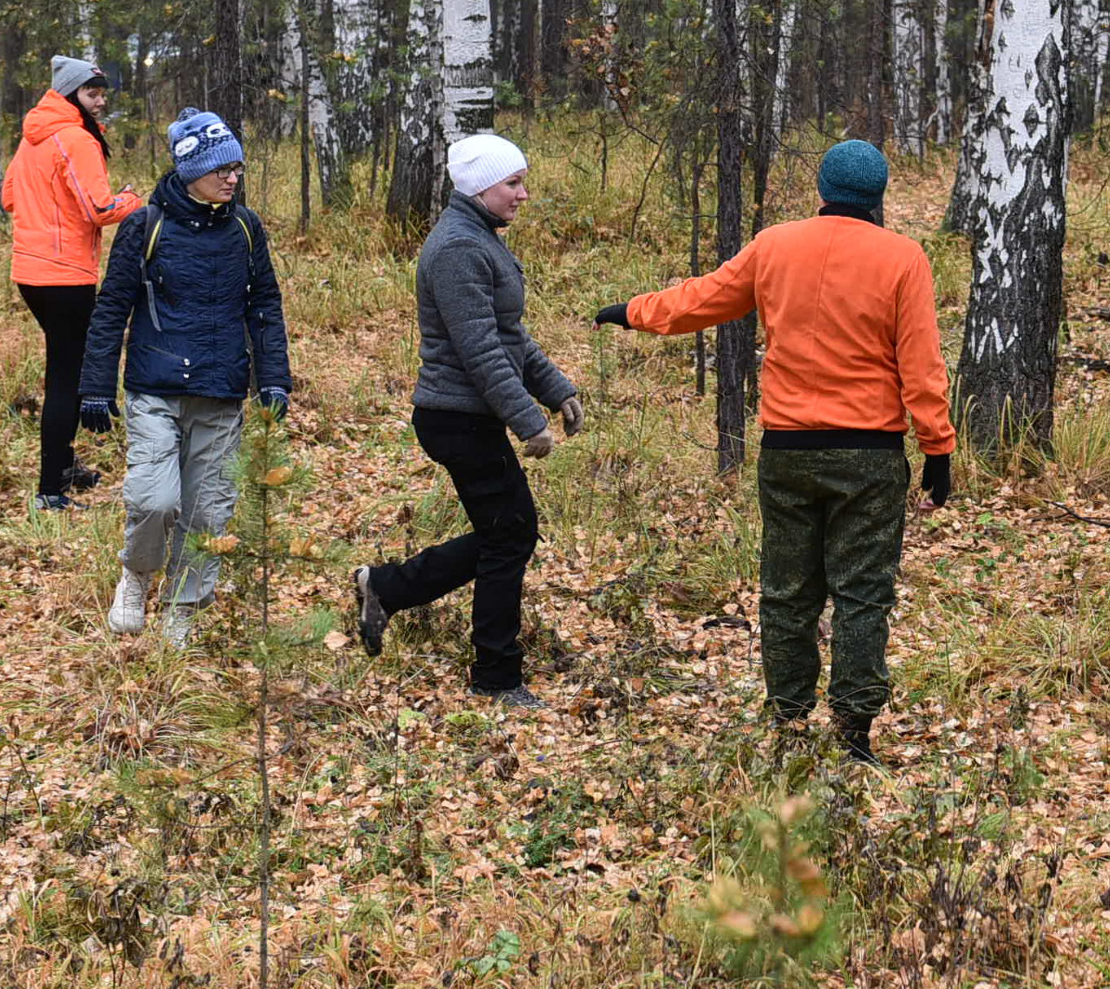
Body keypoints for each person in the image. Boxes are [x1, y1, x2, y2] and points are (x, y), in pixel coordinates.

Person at [593, 139, 954, 764]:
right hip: (868, 456)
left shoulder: (776, 245)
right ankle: (854, 735)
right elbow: (920, 364)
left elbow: (700, 300)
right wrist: (938, 447)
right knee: (862, 594)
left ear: (822, 190)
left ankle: (787, 723)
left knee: (787, 592)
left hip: (786, 451)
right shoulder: (903, 258)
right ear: (879, 198)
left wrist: (631, 312)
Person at [351, 134, 581, 709]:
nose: (523, 195)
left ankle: (386, 587)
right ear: (481, 186)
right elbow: (479, 351)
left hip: (469, 417)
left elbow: (510, 338)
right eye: (513, 183)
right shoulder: (458, 248)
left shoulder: (480, 239)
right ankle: (496, 677)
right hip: (457, 418)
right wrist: (529, 421)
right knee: (511, 535)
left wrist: (557, 390)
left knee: (506, 533)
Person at [80, 112, 292, 647]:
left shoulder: (246, 227)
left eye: (237, 168)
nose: (232, 178)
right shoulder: (143, 226)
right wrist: (96, 387)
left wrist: (275, 379)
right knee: (155, 501)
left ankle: (183, 607)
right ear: (191, 168)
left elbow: (264, 304)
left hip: (221, 390)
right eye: (222, 168)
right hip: (155, 385)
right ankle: (136, 574)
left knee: (207, 511)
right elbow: (111, 309)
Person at [5, 56, 145, 510]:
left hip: (31, 273)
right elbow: (100, 209)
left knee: (63, 371)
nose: (100, 102)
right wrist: (134, 200)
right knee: (68, 379)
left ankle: (63, 467)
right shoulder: (74, 139)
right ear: (70, 95)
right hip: (64, 275)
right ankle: (51, 490)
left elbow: (9, 196)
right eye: (91, 93)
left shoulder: (34, 137)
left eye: (103, 93)